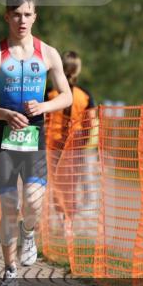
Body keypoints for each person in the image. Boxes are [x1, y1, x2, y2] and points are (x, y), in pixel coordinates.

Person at [0, 0, 72, 286]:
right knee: (8, 204)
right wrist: (3, 113)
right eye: (16, 14)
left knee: (32, 202)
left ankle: (29, 231)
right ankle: (10, 269)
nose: (22, 20)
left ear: (35, 17)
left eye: (28, 14)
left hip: (34, 136)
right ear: (7, 16)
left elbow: (66, 96)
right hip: (3, 139)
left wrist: (43, 105)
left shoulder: (48, 53)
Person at [46, 51, 98, 221]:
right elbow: (90, 123)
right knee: (71, 184)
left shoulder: (50, 93)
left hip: (52, 145)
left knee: (54, 183)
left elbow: (43, 119)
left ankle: (59, 216)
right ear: (77, 71)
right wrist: (83, 144)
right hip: (75, 147)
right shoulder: (85, 96)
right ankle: (68, 220)